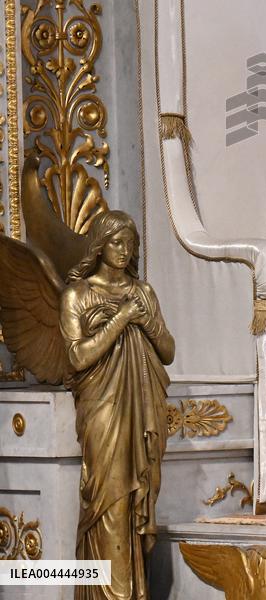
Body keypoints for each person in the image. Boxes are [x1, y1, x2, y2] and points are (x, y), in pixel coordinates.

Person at [59, 211, 175, 599]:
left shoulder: (143, 292)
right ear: (99, 245)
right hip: (101, 408)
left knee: (135, 496)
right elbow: (76, 357)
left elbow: (168, 351)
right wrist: (121, 319)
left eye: (131, 244)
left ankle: (134, 592)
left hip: (141, 404)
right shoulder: (77, 295)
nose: (125, 251)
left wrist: (147, 323)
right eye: (116, 243)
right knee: (109, 499)